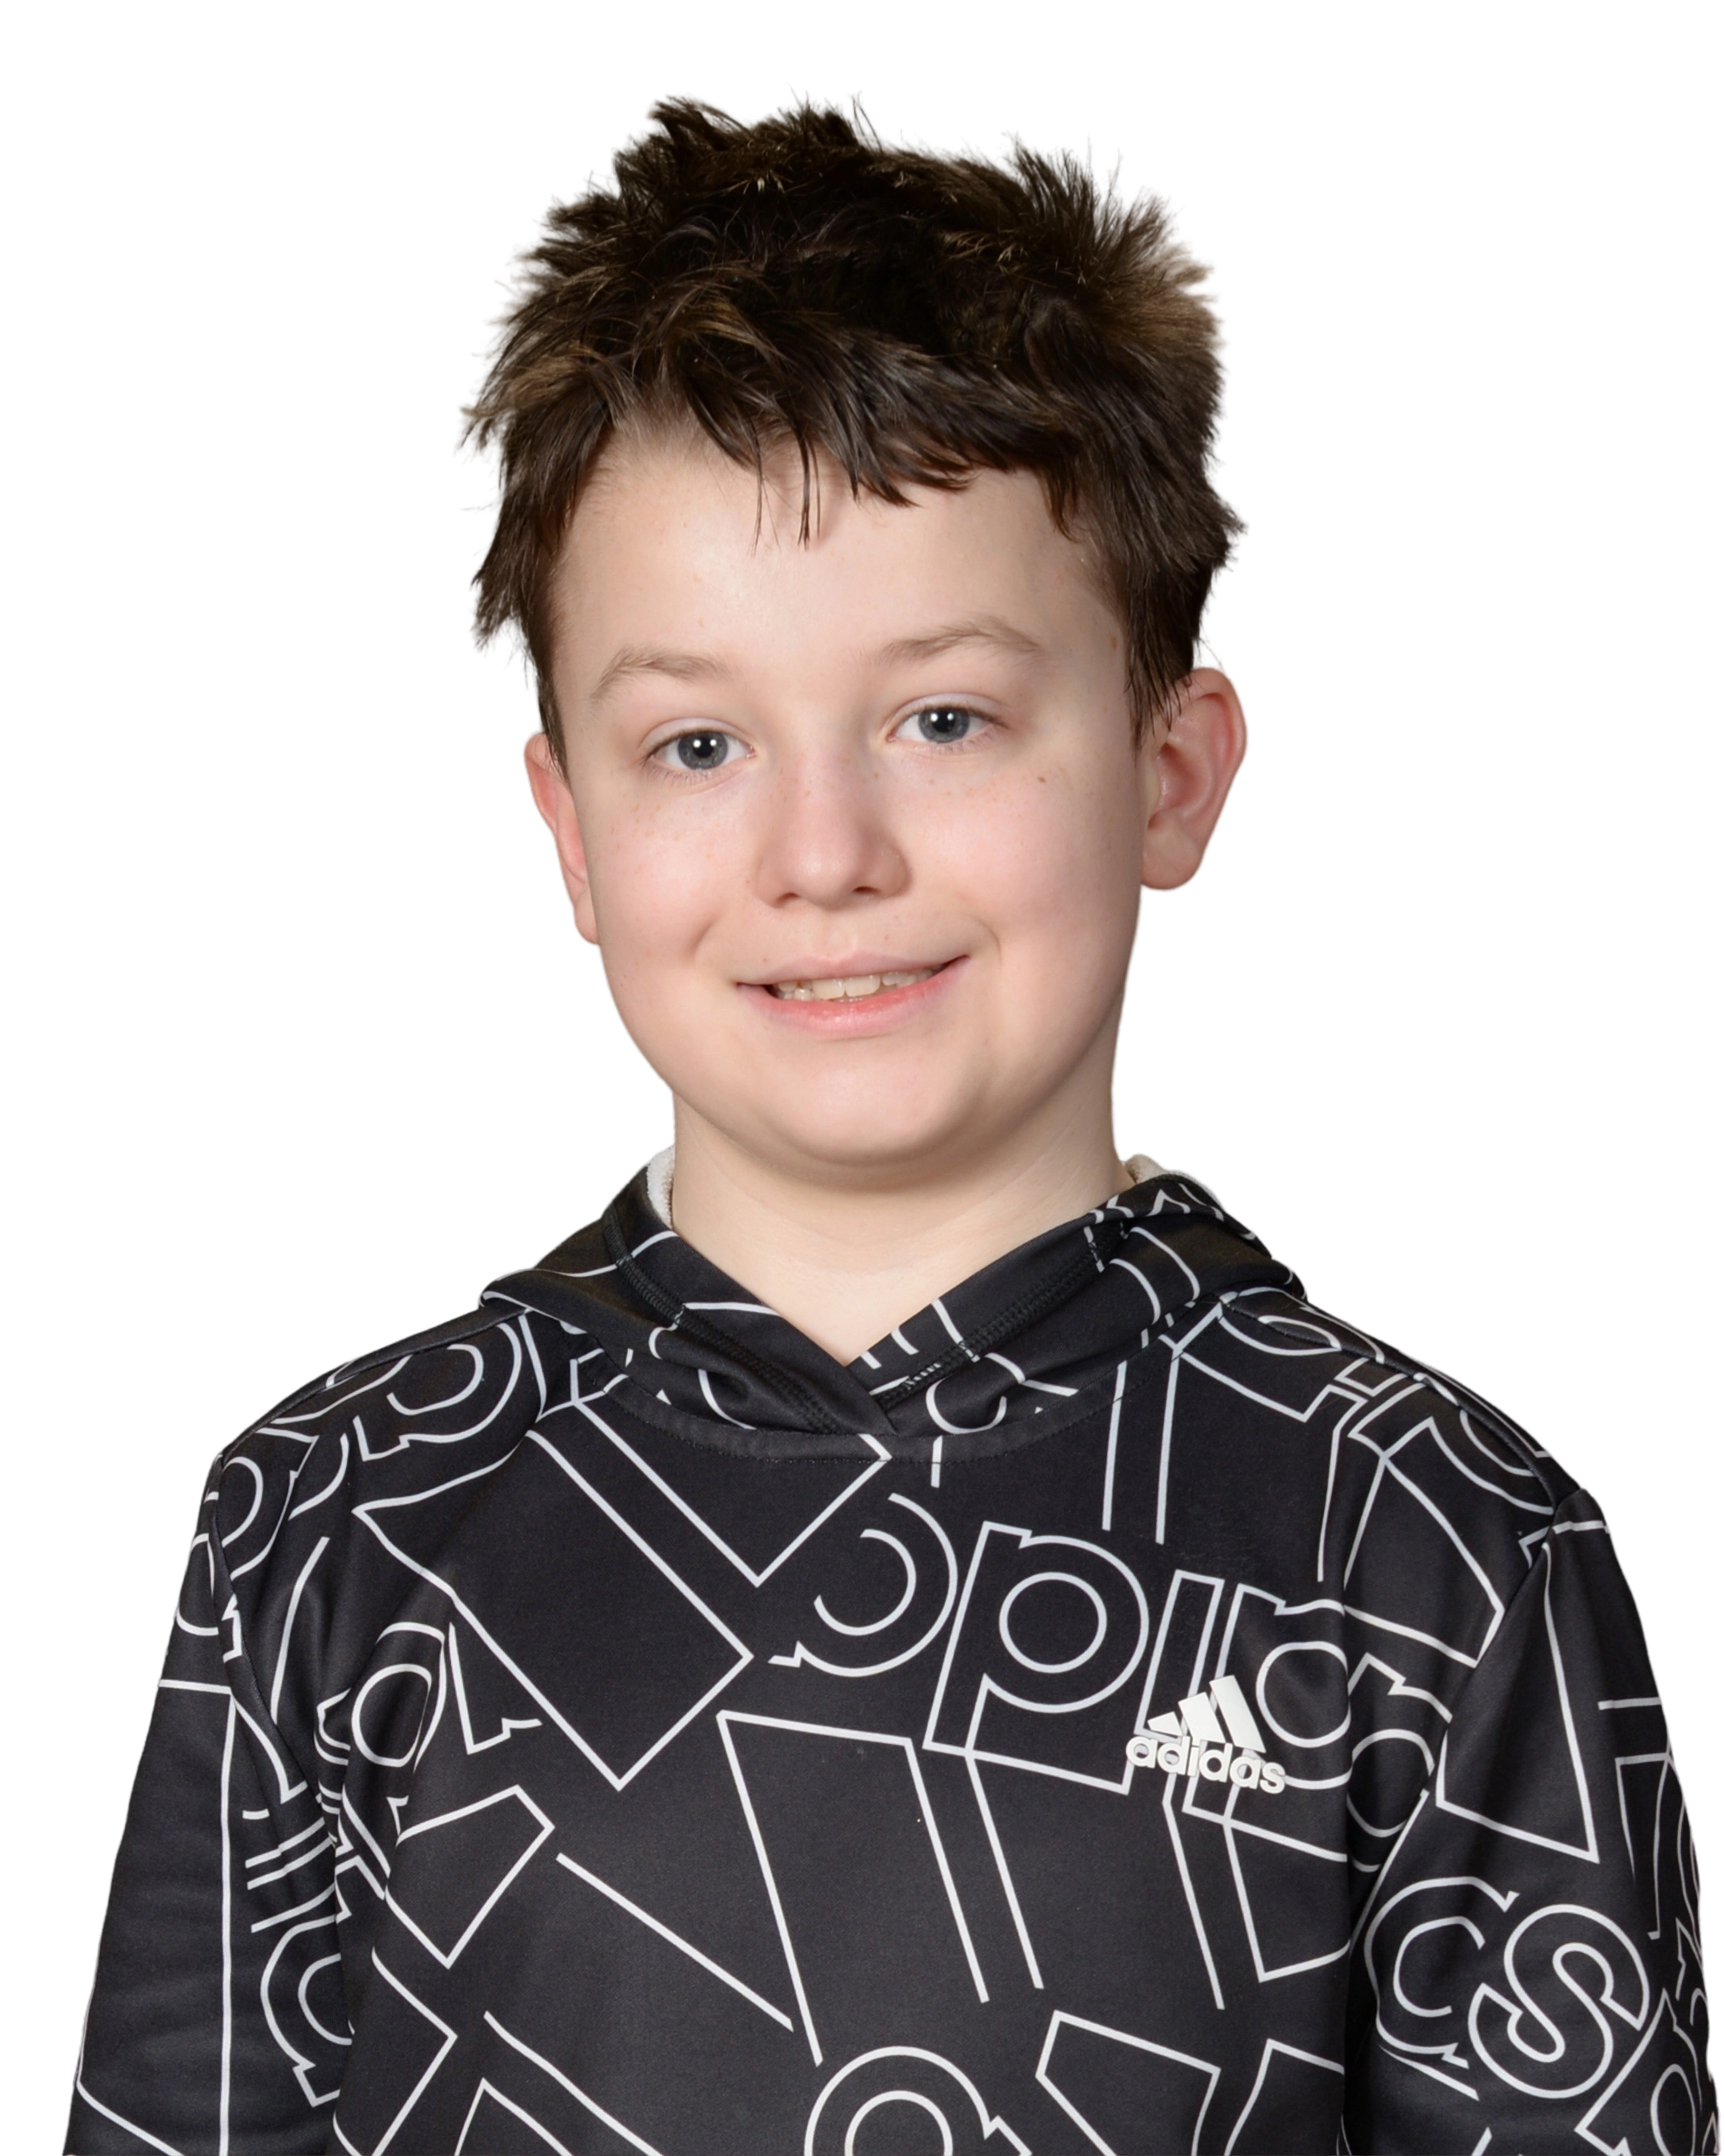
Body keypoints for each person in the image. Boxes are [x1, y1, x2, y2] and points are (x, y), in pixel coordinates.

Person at [64, 85, 1714, 2156]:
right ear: (567, 831)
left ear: (1172, 768)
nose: (822, 851)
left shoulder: (1437, 1540)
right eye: (697, 743)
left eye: (944, 716)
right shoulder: (334, 1525)